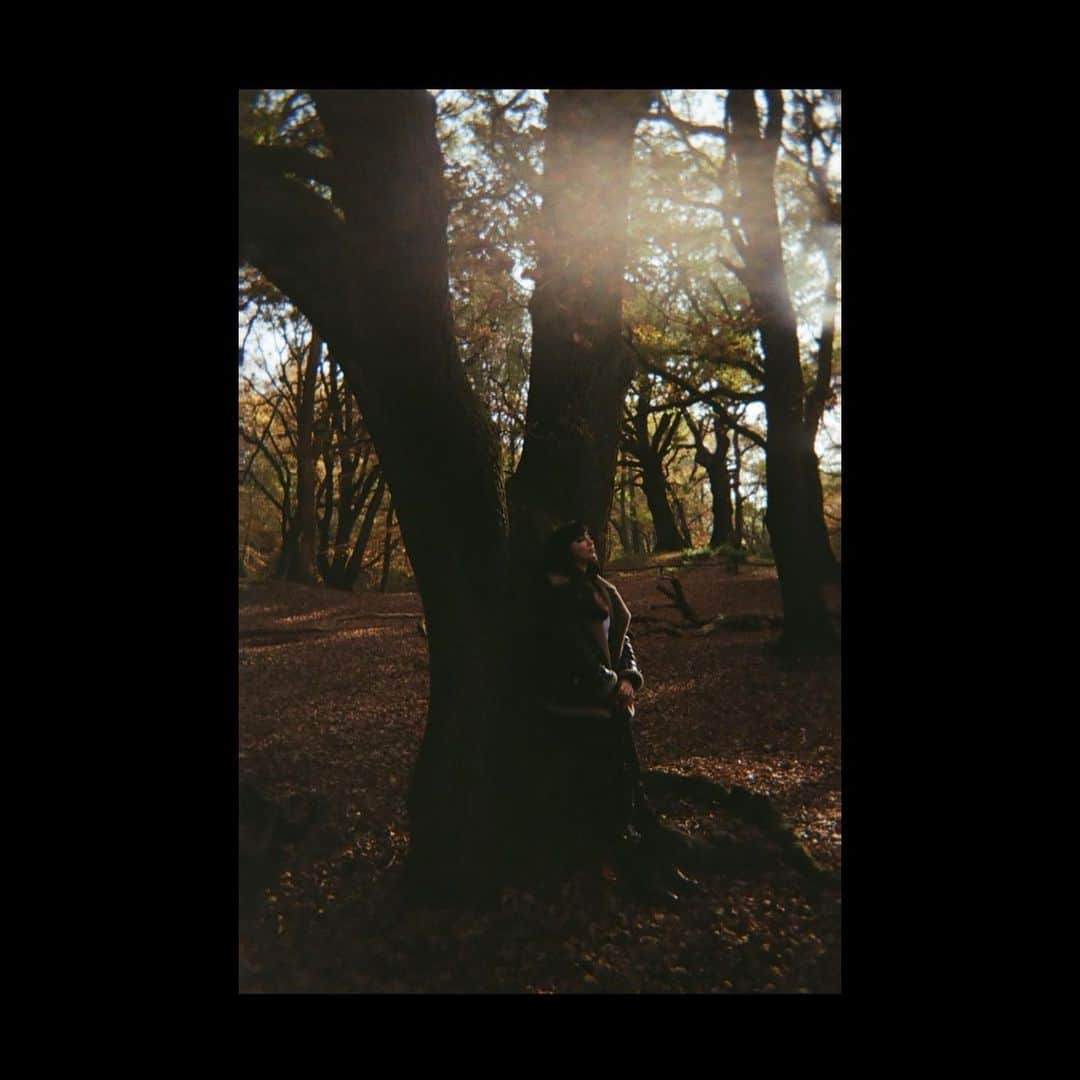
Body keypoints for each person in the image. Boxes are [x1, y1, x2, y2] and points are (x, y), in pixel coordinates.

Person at [526, 520, 699, 902]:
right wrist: (610, 688)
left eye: (588, 536)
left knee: (630, 788)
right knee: (606, 792)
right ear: (562, 549)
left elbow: (621, 641)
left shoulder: (603, 589)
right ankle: (635, 873)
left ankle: (656, 863)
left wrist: (628, 678)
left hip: (611, 705)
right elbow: (571, 655)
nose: (589, 542)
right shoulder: (553, 596)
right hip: (577, 710)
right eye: (578, 538)